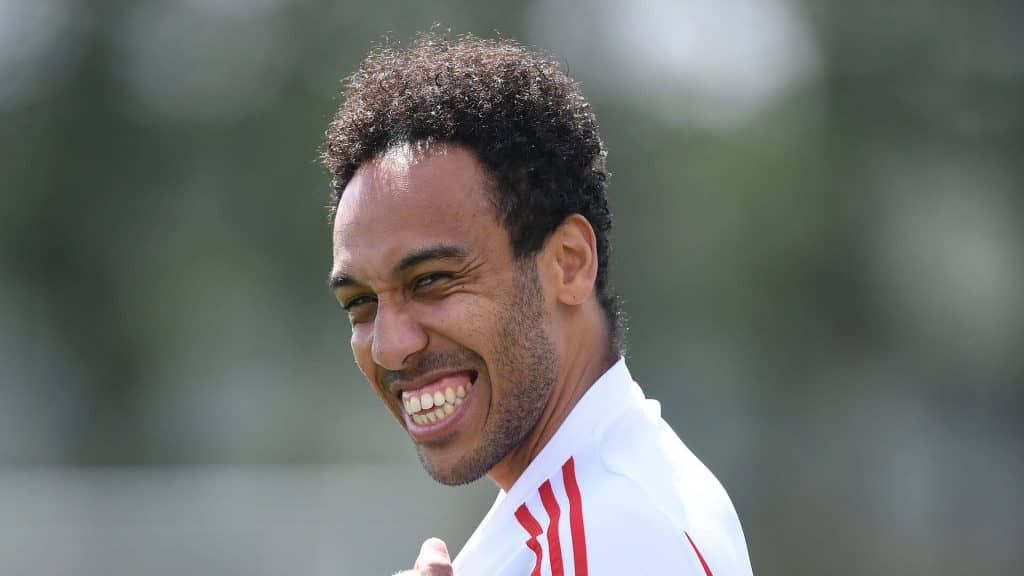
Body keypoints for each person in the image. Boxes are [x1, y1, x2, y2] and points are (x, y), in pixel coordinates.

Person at [322, 34, 753, 576]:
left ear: (568, 263)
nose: (389, 346)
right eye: (361, 302)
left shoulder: (609, 537)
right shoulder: (608, 490)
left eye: (431, 280)